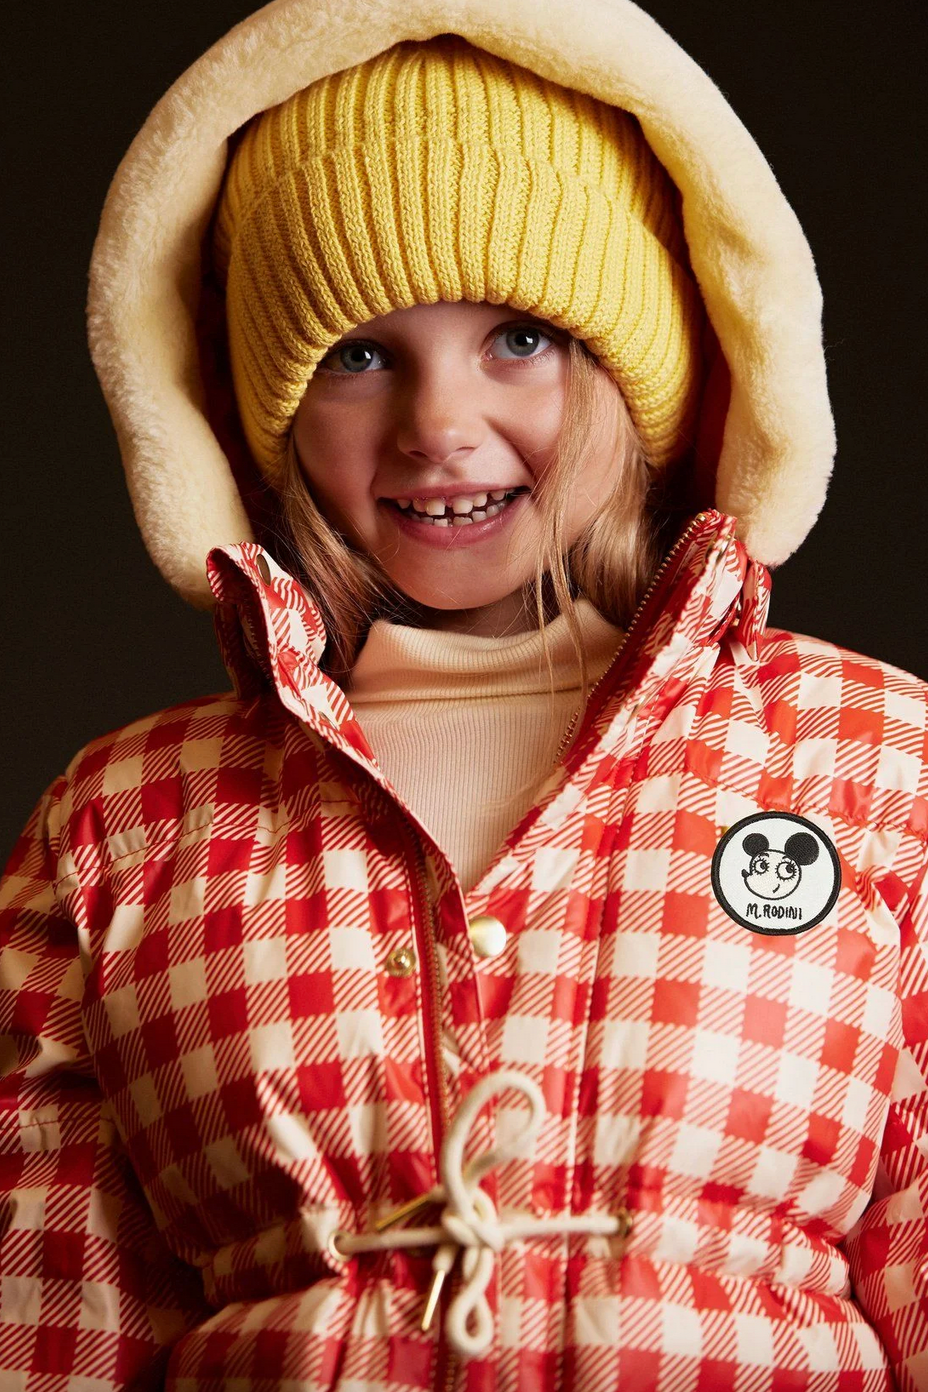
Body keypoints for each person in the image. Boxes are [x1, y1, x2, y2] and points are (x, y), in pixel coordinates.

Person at [0, 3, 925, 1390]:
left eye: (521, 340)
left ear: (638, 365)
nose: (439, 425)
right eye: (359, 356)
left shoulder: (871, 772)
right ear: (268, 412)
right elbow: (47, 1335)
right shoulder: (123, 829)